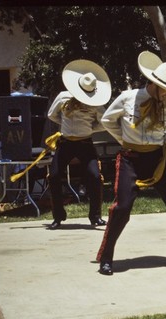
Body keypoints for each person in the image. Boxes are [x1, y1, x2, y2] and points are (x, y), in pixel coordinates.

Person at [96, 51, 166, 275]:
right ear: (154, 83)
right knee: (122, 208)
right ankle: (106, 257)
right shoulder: (128, 98)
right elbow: (108, 119)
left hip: (158, 159)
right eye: (165, 89)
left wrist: (159, 144)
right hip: (130, 159)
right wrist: (124, 139)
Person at [47, 59, 112, 230]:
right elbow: (52, 115)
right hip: (66, 142)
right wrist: (64, 125)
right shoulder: (63, 97)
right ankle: (58, 216)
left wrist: (90, 128)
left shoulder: (95, 103)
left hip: (85, 143)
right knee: (53, 176)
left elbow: (104, 121)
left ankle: (95, 216)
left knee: (95, 177)